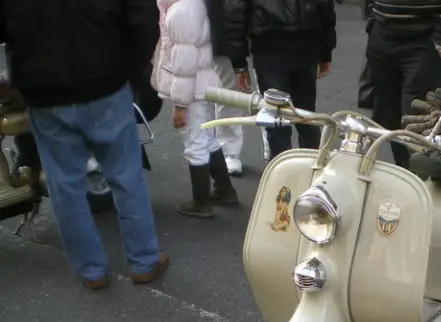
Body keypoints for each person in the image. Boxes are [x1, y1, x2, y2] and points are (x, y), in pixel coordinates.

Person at [0, 0, 170, 290]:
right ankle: (143, 261)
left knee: (64, 184)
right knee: (125, 175)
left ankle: (91, 270)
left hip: (43, 90)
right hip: (105, 82)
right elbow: (143, 18)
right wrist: (127, 71)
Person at [153, 0, 240, 219]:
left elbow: (184, 64)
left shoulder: (181, 11)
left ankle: (201, 202)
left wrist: (180, 105)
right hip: (201, 84)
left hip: (191, 90)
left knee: (195, 142)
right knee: (206, 137)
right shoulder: (191, 5)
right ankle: (224, 190)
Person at [364, 0, 441, 168]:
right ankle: (405, 173)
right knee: (389, 117)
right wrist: (373, 16)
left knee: (419, 116)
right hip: (381, 33)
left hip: (424, 38)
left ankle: (422, 178)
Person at [223, 0, 337, 159]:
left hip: (268, 48)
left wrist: (239, 63)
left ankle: (282, 172)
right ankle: (312, 167)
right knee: (306, 114)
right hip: (306, 44)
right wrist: (326, 51)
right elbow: (326, 8)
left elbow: (235, 12)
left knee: (276, 118)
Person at [203, 0, 271, 173]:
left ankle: (272, 148)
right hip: (222, 22)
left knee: (271, 93)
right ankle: (229, 151)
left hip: (267, 24)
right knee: (229, 92)